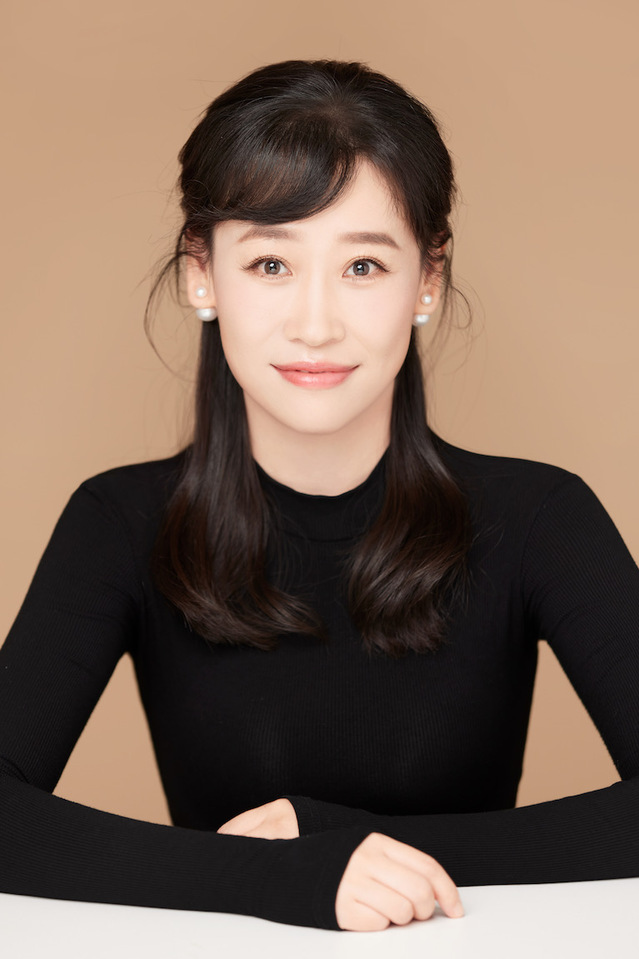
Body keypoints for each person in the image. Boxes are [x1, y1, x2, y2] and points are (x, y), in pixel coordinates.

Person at [1, 59, 638, 934]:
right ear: (200, 274)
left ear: (427, 279)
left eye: (363, 266)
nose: (314, 324)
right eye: (270, 262)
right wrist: (268, 875)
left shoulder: (537, 516)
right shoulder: (119, 522)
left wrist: (351, 841)